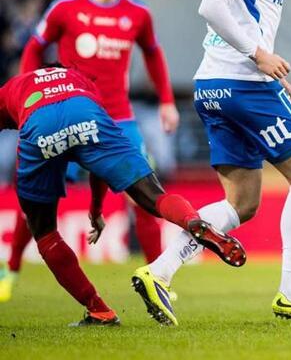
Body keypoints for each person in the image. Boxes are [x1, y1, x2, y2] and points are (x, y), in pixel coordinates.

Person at [131, 0, 291, 326]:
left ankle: (159, 271)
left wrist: (282, 84)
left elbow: (236, 25)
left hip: (213, 88)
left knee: (241, 203)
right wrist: (260, 57)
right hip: (245, 87)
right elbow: (211, 6)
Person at [0, 65, 245, 326]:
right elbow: (99, 165)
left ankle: (99, 310)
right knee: (154, 196)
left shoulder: (12, 87)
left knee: (45, 232)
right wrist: (96, 210)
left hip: (39, 125)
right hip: (86, 113)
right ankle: (192, 221)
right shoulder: (80, 79)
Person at [0, 0, 179, 303]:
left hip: (119, 120)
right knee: (36, 201)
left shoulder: (137, 14)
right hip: (67, 116)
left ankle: (159, 281)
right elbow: (34, 47)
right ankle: (11, 269)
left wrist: (167, 102)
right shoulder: (65, 9)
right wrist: (27, 101)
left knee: (146, 198)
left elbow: (154, 55)